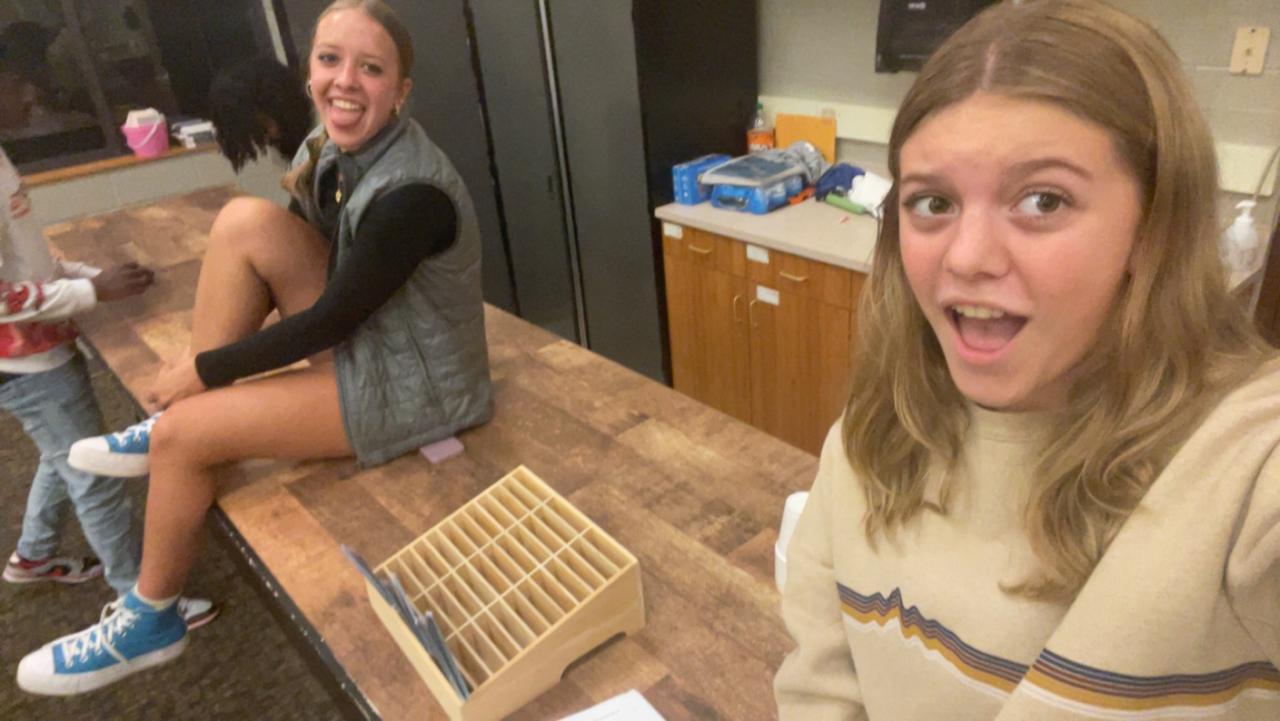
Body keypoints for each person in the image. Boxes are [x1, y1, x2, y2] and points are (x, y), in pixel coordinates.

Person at [773, 1, 1280, 719]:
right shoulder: (867, 442)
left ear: (1153, 228)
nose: (968, 257)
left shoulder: (1242, 465)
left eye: (1043, 200)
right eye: (933, 203)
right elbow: (821, 692)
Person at [18, 0, 493, 695]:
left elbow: (332, 318)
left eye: (371, 68)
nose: (345, 80)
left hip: (415, 386)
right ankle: (179, 419)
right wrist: (211, 376)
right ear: (309, 72)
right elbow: (294, 252)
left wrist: (204, 370)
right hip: (377, 340)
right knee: (245, 220)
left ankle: (151, 618)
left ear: (401, 91)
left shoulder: (413, 192)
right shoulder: (328, 148)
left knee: (184, 436)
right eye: (330, 59)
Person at [0, 62, 218, 622]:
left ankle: (33, 555)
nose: (31, 90)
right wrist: (91, 291)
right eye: (15, 83)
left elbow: (27, 262)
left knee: (62, 452)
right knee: (94, 477)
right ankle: (140, 604)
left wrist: (89, 277)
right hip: (24, 365)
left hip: (41, 349)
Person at [207, 54, 313, 172]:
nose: (273, 134)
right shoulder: (285, 150)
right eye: (261, 132)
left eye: (265, 127)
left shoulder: (323, 127)